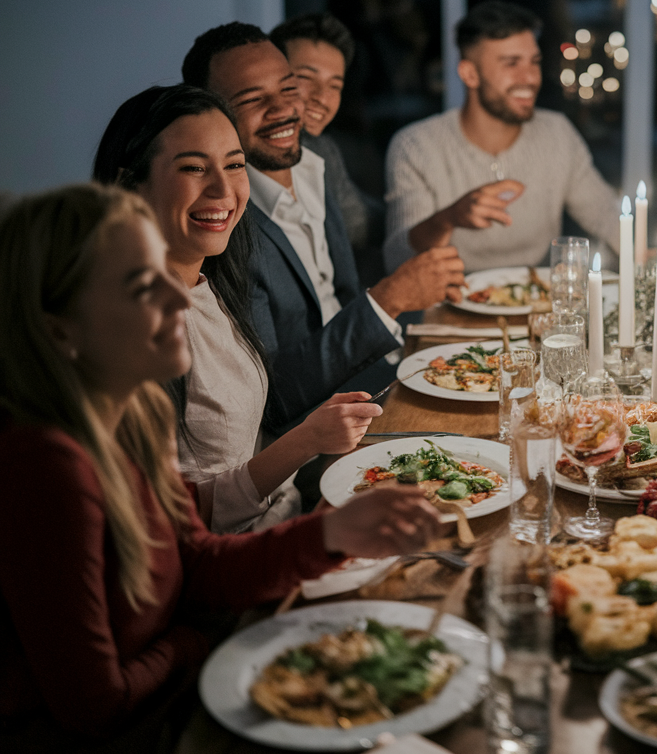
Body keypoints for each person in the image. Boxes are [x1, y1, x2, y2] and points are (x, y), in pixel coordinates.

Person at [0, 184, 443, 751]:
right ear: (60, 329)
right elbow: (96, 707)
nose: (181, 301)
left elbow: (197, 562)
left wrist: (333, 533)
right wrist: (193, 642)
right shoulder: (45, 467)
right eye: (142, 286)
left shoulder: (136, 415)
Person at [93, 84, 381, 533]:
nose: (223, 189)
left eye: (235, 165)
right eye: (193, 167)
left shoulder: (212, 284)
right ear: (130, 185)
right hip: (232, 567)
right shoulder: (129, 331)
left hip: (286, 524)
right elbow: (172, 522)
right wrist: (307, 441)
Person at [182, 22, 467, 433]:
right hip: (318, 435)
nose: (284, 109)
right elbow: (273, 400)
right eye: (252, 99)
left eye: (287, 88)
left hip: (374, 377)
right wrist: (389, 299)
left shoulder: (315, 159)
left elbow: (370, 236)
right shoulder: (224, 228)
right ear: (211, 114)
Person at [383, 0, 619, 272]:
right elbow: (397, 260)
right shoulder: (416, 146)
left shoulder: (557, 133)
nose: (530, 78)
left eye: (534, 62)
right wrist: (449, 217)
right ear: (470, 74)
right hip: (451, 305)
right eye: (511, 64)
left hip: (539, 303)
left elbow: (605, 215)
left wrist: (647, 259)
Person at [270, 12, 374, 250]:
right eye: (305, 78)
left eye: (334, 86)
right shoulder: (238, 158)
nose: (322, 98)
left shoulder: (322, 148)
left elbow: (358, 222)